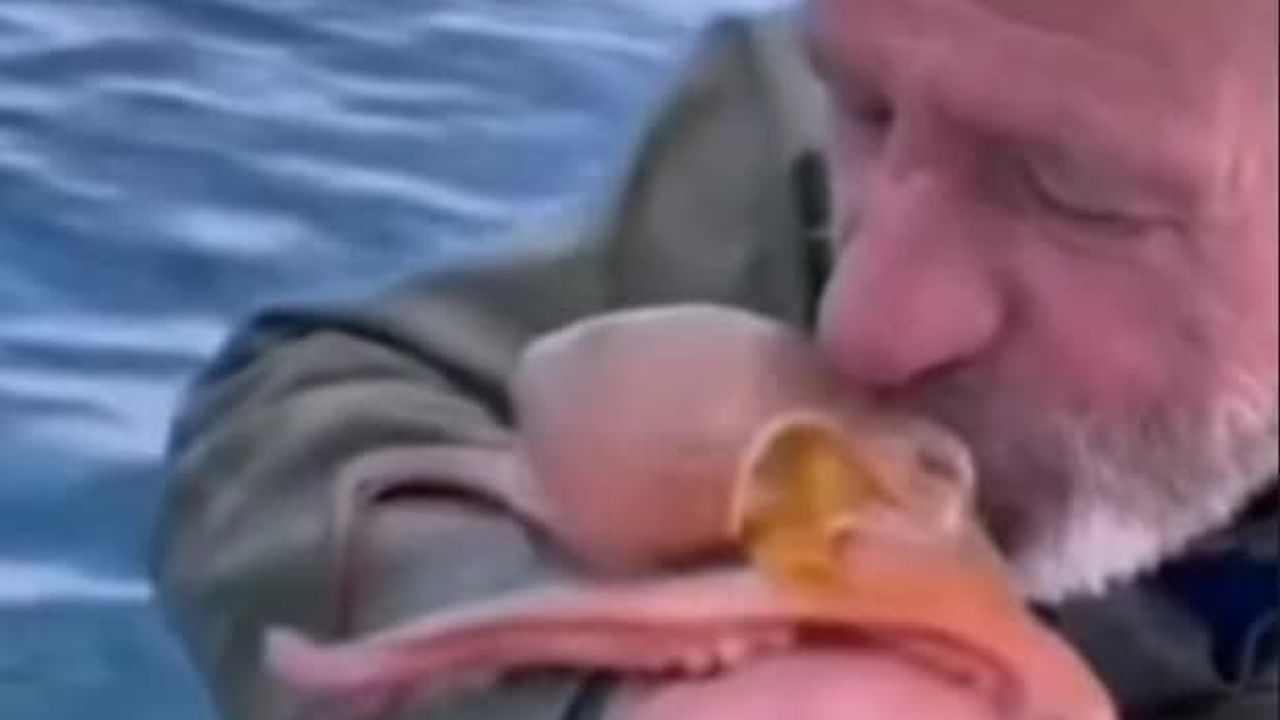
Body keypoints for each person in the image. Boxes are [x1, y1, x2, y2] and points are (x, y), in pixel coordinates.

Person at [152, 0, 1278, 718]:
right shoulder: (915, 74)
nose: (863, 324)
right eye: (865, 109)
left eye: (1075, 192)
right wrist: (608, 692)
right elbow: (296, 424)